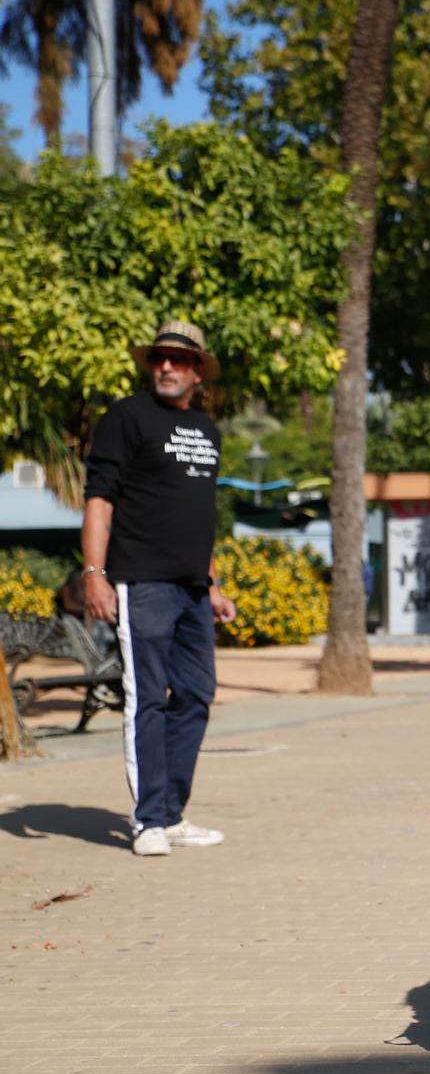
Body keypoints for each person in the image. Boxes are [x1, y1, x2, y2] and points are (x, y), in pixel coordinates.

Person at [80, 322, 239, 858]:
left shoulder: (206, 429)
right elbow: (99, 500)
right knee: (146, 698)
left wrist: (213, 584)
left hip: (194, 587)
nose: (166, 367)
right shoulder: (125, 417)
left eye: (178, 360)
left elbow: (200, 514)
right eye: (158, 359)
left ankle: (171, 815)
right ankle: (148, 819)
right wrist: (94, 574)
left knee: (195, 694)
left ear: (197, 371)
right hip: (141, 581)